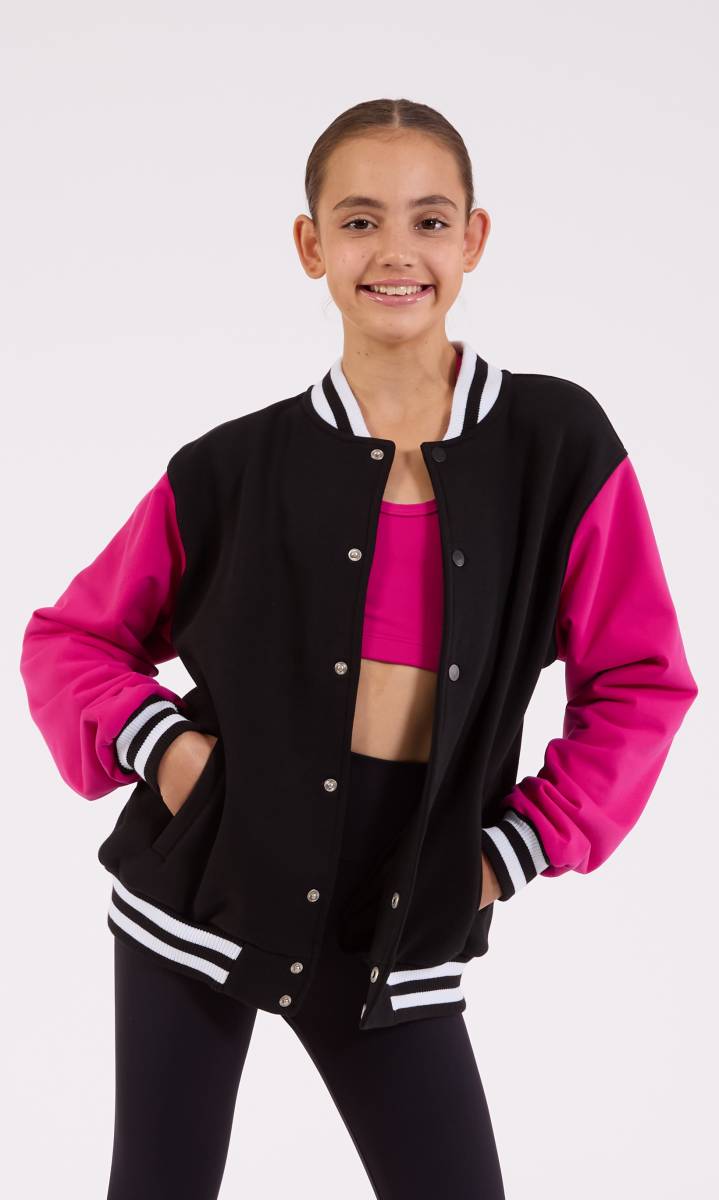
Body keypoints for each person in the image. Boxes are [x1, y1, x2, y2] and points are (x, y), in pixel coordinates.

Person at [19, 98, 698, 1200]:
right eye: (358, 220)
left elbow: (639, 680)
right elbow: (71, 641)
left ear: (473, 239)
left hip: (408, 900)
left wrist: (507, 851)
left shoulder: (556, 446)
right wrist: (171, 754)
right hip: (205, 885)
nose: (395, 251)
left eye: (428, 221)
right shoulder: (232, 467)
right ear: (310, 245)